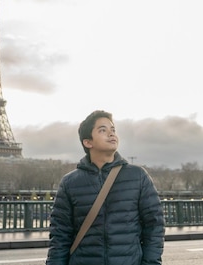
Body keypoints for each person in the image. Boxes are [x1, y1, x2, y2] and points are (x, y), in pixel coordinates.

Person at [46, 110, 165, 265]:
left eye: (113, 129)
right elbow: (60, 235)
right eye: (103, 130)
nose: (111, 134)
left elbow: (154, 225)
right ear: (88, 142)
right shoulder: (69, 183)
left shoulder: (138, 176)